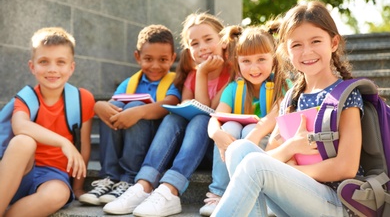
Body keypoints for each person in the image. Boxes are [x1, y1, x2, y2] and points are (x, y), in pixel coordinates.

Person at [212, 0, 364, 217]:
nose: (307, 51)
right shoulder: (292, 99)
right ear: (285, 51)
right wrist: (291, 147)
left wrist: (291, 170)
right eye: (297, 45)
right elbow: (269, 156)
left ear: (333, 43)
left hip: (338, 202)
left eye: (315, 41)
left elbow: (346, 167)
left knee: (255, 164)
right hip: (296, 198)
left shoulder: (346, 95)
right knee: (239, 149)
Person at [102, 12, 231, 216]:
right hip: (188, 148)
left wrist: (203, 73)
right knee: (174, 117)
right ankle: (144, 185)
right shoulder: (191, 75)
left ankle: (170, 190)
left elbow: (208, 109)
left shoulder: (233, 73)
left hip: (214, 150)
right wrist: (198, 75)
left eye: (208, 39)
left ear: (223, 40)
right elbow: (188, 103)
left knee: (200, 118)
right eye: (195, 43)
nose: (203, 47)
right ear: (189, 50)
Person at [78, 25, 181, 206]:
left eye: (163, 59)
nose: (155, 65)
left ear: (173, 58)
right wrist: (100, 105)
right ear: (137, 57)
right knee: (114, 108)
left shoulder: (175, 80)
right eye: (148, 59)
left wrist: (139, 111)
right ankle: (109, 177)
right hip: (127, 137)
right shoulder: (130, 82)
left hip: (155, 143)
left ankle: (129, 178)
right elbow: (113, 104)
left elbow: (170, 103)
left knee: (134, 105)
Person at [0, 27, 95, 216]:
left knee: (58, 194)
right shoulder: (25, 98)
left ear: (71, 67)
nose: (52, 69)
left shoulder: (82, 99)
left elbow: (83, 148)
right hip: (18, 172)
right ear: (32, 66)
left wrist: (77, 188)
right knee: (23, 141)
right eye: (44, 62)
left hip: (54, 175)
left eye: (61, 62)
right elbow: (20, 126)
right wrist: (63, 142)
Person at [200, 24, 291, 216]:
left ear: (274, 59)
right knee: (229, 128)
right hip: (235, 144)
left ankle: (263, 194)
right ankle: (219, 192)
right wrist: (216, 134)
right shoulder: (233, 88)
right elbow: (215, 118)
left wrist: (254, 135)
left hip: (266, 145)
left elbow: (275, 115)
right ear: (237, 62)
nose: (254, 67)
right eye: (246, 61)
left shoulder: (282, 85)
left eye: (261, 59)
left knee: (249, 131)